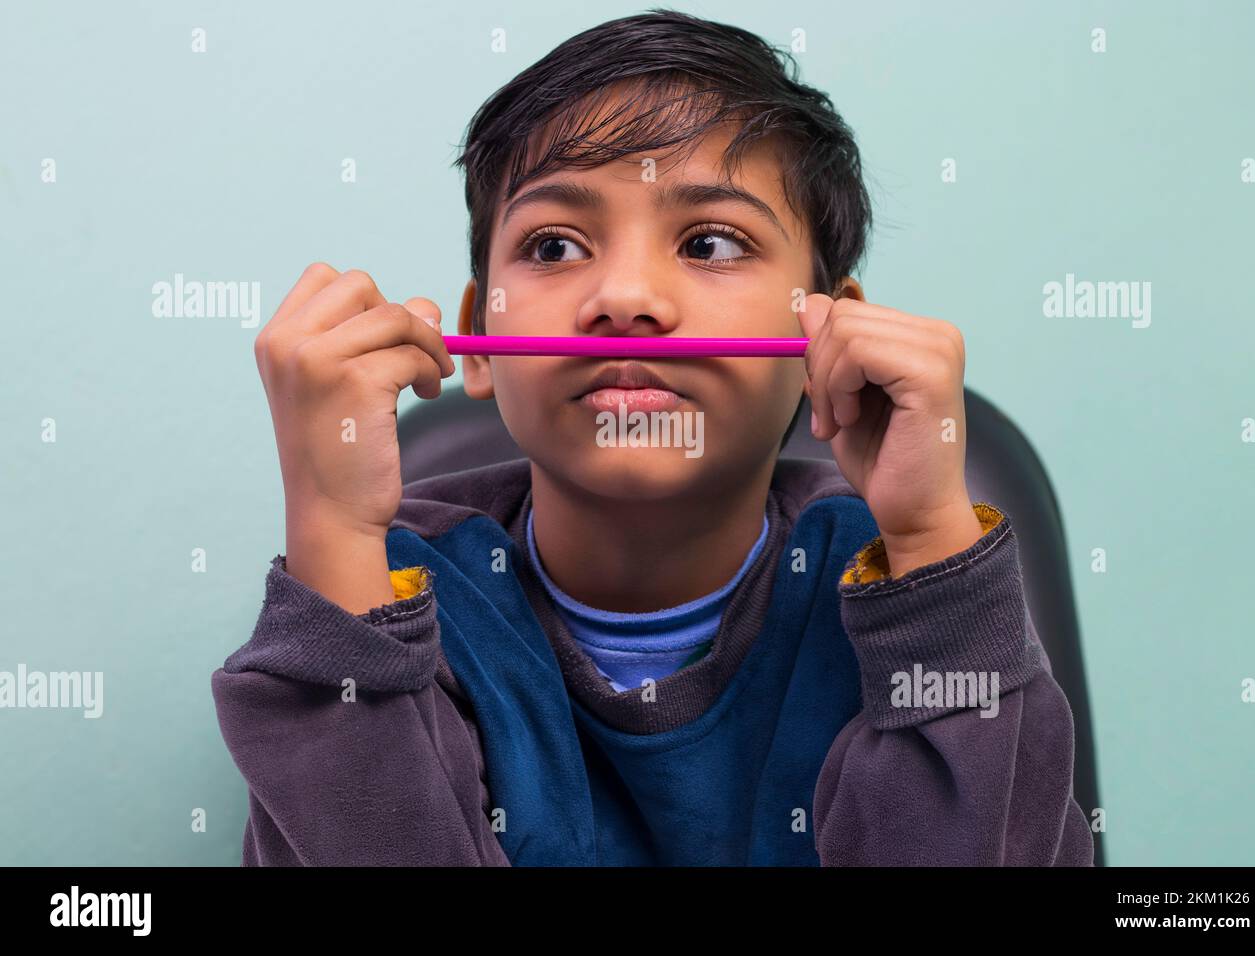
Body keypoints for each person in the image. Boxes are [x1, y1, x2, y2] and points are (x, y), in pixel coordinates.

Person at [211, 9, 1094, 866]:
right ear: (478, 339)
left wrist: (934, 545)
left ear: (827, 339)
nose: (625, 297)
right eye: (555, 247)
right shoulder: (391, 600)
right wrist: (328, 526)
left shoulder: (903, 581)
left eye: (710, 241)